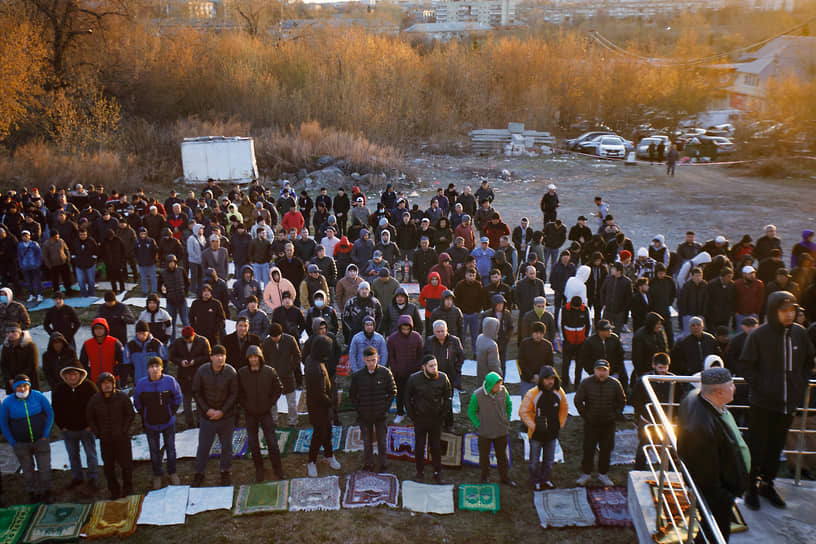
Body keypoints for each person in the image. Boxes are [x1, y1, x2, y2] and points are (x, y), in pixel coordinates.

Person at [741, 291, 815, 509]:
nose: (790, 314)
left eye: (792, 310)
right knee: (757, 447)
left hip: (787, 405)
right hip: (762, 404)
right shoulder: (759, 335)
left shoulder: (800, 334)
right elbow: (746, 366)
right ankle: (750, 488)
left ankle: (767, 484)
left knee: (775, 448)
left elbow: (808, 362)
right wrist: (763, 386)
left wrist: (799, 385)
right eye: (784, 311)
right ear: (774, 311)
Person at [677, 367, 749, 543]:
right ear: (719, 392)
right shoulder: (702, 429)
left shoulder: (698, 399)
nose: (735, 388)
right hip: (718, 495)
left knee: (710, 529)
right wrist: (727, 498)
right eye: (731, 385)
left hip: (722, 486)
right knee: (716, 532)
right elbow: (707, 478)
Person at [0, 375, 53, 503]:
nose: (22, 389)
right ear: (14, 388)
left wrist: (46, 434)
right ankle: (33, 492)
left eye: (25, 385)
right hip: (21, 443)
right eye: (19, 386)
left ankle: (46, 492)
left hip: (41, 440)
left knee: (44, 468)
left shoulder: (38, 396)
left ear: (29, 386)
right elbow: (3, 423)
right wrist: (12, 441)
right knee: (28, 470)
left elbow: (50, 414)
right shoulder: (7, 402)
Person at [191, 344, 238, 487]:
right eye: (217, 356)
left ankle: (225, 471)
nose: (220, 358)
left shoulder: (231, 372)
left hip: (226, 417)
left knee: (227, 447)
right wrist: (207, 410)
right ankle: (199, 473)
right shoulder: (202, 371)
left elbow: (234, 394)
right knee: (204, 446)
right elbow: (196, 391)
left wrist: (222, 411)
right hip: (208, 417)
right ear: (211, 357)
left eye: (222, 355)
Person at [238, 345, 286, 482]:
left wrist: (269, 403)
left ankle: (278, 469)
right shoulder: (242, 373)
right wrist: (246, 406)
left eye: (255, 357)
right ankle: (259, 469)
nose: (253, 359)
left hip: (265, 412)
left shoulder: (269, 371)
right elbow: (239, 393)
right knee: (253, 444)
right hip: (250, 413)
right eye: (250, 357)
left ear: (260, 358)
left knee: (272, 442)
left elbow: (279, 388)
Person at [574, 359, 626, 486]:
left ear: (608, 371)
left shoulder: (615, 384)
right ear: (594, 370)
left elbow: (622, 400)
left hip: (608, 424)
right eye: (599, 370)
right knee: (588, 449)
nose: (601, 373)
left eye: (604, 370)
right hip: (591, 423)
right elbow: (578, 401)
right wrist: (586, 415)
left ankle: (603, 474)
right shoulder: (586, 383)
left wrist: (615, 415)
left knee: (606, 450)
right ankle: (586, 474)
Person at [134, 357, 183, 489]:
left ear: (162, 368)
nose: (155, 369)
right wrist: (144, 414)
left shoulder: (170, 381)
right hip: (150, 423)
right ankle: (157, 474)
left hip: (168, 422)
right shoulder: (141, 384)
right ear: (148, 369)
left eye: (157, 366)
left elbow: (178, 397)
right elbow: (137, 401)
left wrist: (170, 412)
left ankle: (172, 472)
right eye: (152, 367)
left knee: (171, 449)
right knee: (154, 450)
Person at [519, 365, 568, 491]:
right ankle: (535, 480)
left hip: (552, 433)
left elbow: (564, 408)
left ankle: (545, 479)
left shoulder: (559, 392)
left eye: (552, 378)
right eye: (546, 379)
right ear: (541, 380)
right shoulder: (532, 393)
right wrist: (533, 426)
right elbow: (523, 412)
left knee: (549, 459)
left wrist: (560, 423)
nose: (550, 381)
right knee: (534, 460)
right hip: (536, 434)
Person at [86, 372, 134, 499]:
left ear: (113, 384)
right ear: (99, 385)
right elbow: (90, 418)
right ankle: (114, 490)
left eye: (109, 383)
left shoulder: (122, 397)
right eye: (103, 383)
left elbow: (130, 414)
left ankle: (128, 487)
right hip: (105, 440)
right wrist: (98, 433)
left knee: (126, 465)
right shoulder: (94, 400)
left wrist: (124, 430)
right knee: (108, 467)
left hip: (121, 438)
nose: (106, 386)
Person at [405, 355, 451, 483]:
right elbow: (407, 399)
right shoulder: (414, 379)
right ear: (423, 367)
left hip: (436, 419)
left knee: (436, 447)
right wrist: (413, 416)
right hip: (420, 418)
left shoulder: (442, 378)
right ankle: (419, 472)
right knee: (419, 446)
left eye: (435, 365)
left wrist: (442, 415)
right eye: (431, 366)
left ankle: (437, 472)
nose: (434, 368)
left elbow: (448, 398)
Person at [350, 346, 396, 472]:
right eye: (369, 360)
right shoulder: (358, 376)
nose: (371, 363)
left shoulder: (386, 373)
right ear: (364, 360)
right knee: (367, 441)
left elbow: (393, 392)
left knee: (382, 442)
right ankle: (368, 463)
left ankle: (383, 464)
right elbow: (352, 395)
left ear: (378, 359)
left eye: (374, 360)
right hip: (364, 415)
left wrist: (385, 408)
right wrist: (359, 409)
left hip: (380, 414)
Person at [53, 364, 99, 490]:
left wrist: (91, 426)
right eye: (68, 374)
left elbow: (97, 407)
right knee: (73, 455)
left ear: (80, 375)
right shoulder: (59, 389)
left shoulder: (89, 387)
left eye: (74, 374)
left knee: (91, 454)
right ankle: (77, 477)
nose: (71, 377)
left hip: (86, 429)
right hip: (68, 430)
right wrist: (62, 426)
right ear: (65, 376)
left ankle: (93, 477)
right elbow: (56, 409)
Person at [468, 371, 516, 486]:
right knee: (484, 456)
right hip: (485, 432)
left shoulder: (503, 391)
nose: (499, 387)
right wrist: (479, 425)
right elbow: (471, 412)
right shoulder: (477, 395)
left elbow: (509, 405)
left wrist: (506, 419)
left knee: (502, 456)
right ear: (490, 385)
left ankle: (504, 477)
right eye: (496, 384)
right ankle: (485, 476)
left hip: (501, 430)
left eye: (500, 384)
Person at [305, 335, 342, 477]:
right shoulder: (315, 368)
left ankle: (329, 455)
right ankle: (311, 461)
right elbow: (319, 394)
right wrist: (332, 402)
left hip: (322, 406)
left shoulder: (314, 360)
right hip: (318, 407)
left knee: (327, 431)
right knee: (319, 434)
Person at [168, 326, 211, 428]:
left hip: (199, 375)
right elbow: (172, 356)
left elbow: (208, 356)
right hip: (184, 376)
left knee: (200, 400)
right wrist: (180, 362)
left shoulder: (202, 341)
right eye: (185, 339)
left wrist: (195, 361)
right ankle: (190, 423)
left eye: (189, 338)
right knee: (186, 401)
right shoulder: (178, 342)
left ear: (194, 335)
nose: (187, 341)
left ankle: (201, 422)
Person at [262, 322, 302, 427]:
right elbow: (264, 359)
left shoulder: (290, 340)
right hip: (272, 376)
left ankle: (293, 422)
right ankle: (274, 421)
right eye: (272, 337)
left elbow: (297, 355)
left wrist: (291, 367)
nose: (274, 339)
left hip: (288, 375)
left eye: (276, 336)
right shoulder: (266, 343)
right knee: (272, 402)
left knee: (291, 402)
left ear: (281, 334)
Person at [424, 320, 464, 423]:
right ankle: (435, 421)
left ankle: (449, 423)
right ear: (434, 332)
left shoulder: (454, 341)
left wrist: (456, 369)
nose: (441, 334)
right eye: (438, 332)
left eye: (442, 331)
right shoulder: (429, 341)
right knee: (433, 399)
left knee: (448, 400)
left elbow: (461, 356)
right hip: (434, 375)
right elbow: (424, 356)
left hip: (450, 375)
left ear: (446, 330)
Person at [387, 315, 424, 424]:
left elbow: (420, 354)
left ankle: (413, 413)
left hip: (414, 373)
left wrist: (417, 368)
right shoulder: (393, 338)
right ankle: (400, 413)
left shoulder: (417, 337)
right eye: (403, 329)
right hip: (399, 373)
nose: (405, 331)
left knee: (414, 394)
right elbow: (391, 356)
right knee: (400, 394)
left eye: (407, 329)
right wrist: (395, 369)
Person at [124, 320, 168, 387]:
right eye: (139, 333)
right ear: (136, 333)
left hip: (155, 380)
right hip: (138, 381)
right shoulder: (130, 346)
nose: (142, 336)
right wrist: (132, 376)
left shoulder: (156, 344)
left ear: (148, 332)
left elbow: (164, 361)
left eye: (144, 333)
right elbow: (127, 363)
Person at [79, 317, 125, 383]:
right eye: (96, 328)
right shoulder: (87, 344)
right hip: (94, 379)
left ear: (105, 329)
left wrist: (115, 373)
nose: (98, 330)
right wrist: (89, 375)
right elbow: (82, 362)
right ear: (93, 330)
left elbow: (122, 361)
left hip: (112, 380)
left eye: (101, 328)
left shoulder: (115, 342)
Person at [560, 296, 591, 389]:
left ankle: (578, 383)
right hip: (568, 342)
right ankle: (564, 382)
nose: (577, 309)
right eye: (575, 308)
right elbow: (560, 323)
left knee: (580, 363)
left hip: (581, 342)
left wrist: (586, 339)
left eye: (578, 307)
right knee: (565, 363)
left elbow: (589, 324)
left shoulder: (585, 309)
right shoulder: (564, 309)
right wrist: (564, 339)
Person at [1, 324, 39, 395]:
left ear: (19, 332)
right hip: (12, 384)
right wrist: (9, 379)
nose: (10, 334)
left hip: (28, 381)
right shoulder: (6, 347)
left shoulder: (30, 346)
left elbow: (32, 365)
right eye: (8, 333)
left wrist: (19, 379)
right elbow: (4, 365)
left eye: (13, 332)